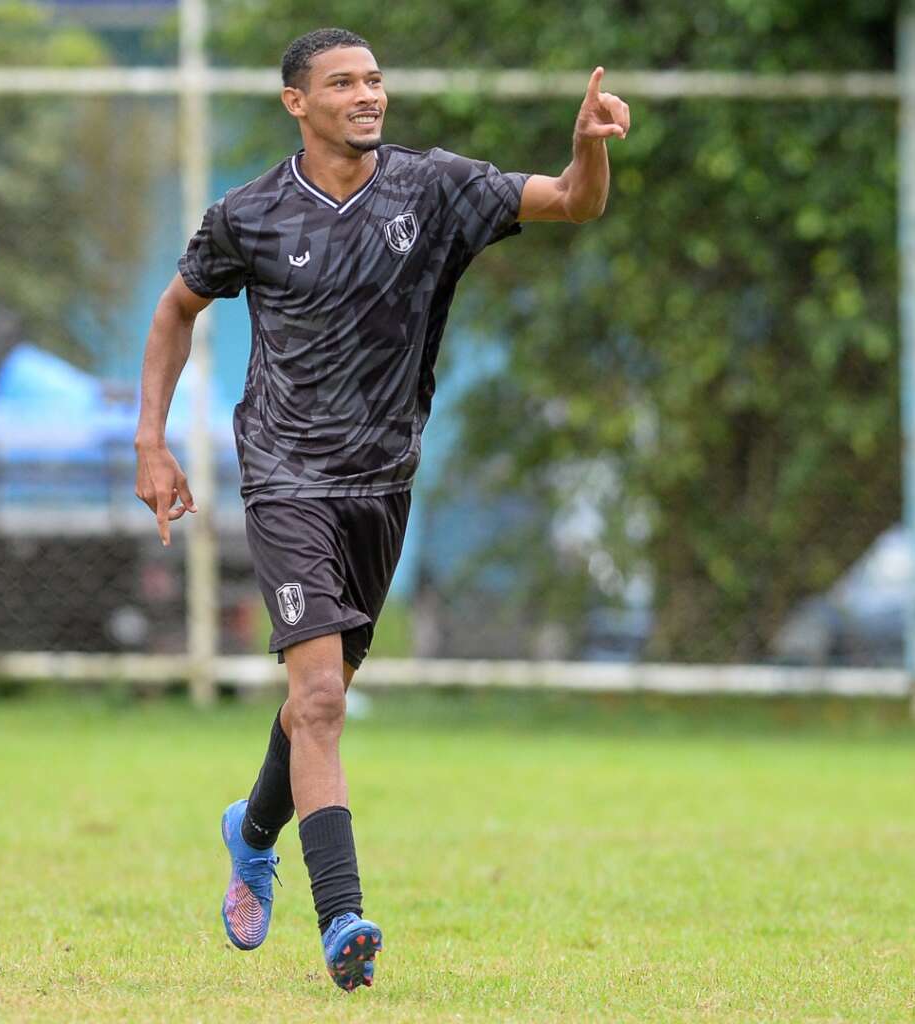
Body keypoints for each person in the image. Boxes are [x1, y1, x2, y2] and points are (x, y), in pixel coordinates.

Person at [134, 26, 629, 993]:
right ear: (296, 103)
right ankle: (343, 918)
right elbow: (175, 310)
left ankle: (253, 829)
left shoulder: (432, 187)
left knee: (318, 701)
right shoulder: (250, 215)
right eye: (344, 83)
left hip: (383, 482)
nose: (369, 96)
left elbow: (574, 202)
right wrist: (152, 443)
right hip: (284, 479)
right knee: (318, 702)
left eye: (375, 80)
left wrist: (589, 146)